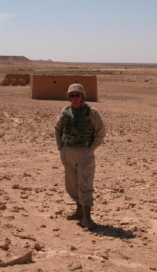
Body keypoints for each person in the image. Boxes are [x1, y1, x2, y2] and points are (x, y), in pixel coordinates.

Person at [55, 83, 105, 229]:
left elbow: (100, 132)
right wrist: (61, 147)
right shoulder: (65, 112)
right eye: (72, 95)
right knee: (72, 183)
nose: (75, 98)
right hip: (68, 152)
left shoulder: (92, 112)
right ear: (69, 97)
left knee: (85, 183)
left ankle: (87, 217)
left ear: (82, 96)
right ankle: (79, 211)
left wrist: (90, 149)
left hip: (84, 152)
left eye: (77, 95)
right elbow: (58, 129)